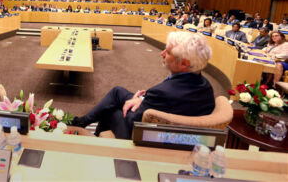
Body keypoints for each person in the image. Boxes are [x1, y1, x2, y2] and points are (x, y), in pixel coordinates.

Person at [71, 31, 215, 139]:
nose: (162, 54)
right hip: (176, 131)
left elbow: (133, 121)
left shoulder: (162, 92)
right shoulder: (206, 86)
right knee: (117, 92)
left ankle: (88, 133)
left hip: (145, 137)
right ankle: (83, 122)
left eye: (168, 52)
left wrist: (139, 101)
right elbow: (170, 103)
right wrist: (142, 100)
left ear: (184, 63)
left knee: (111, 109)